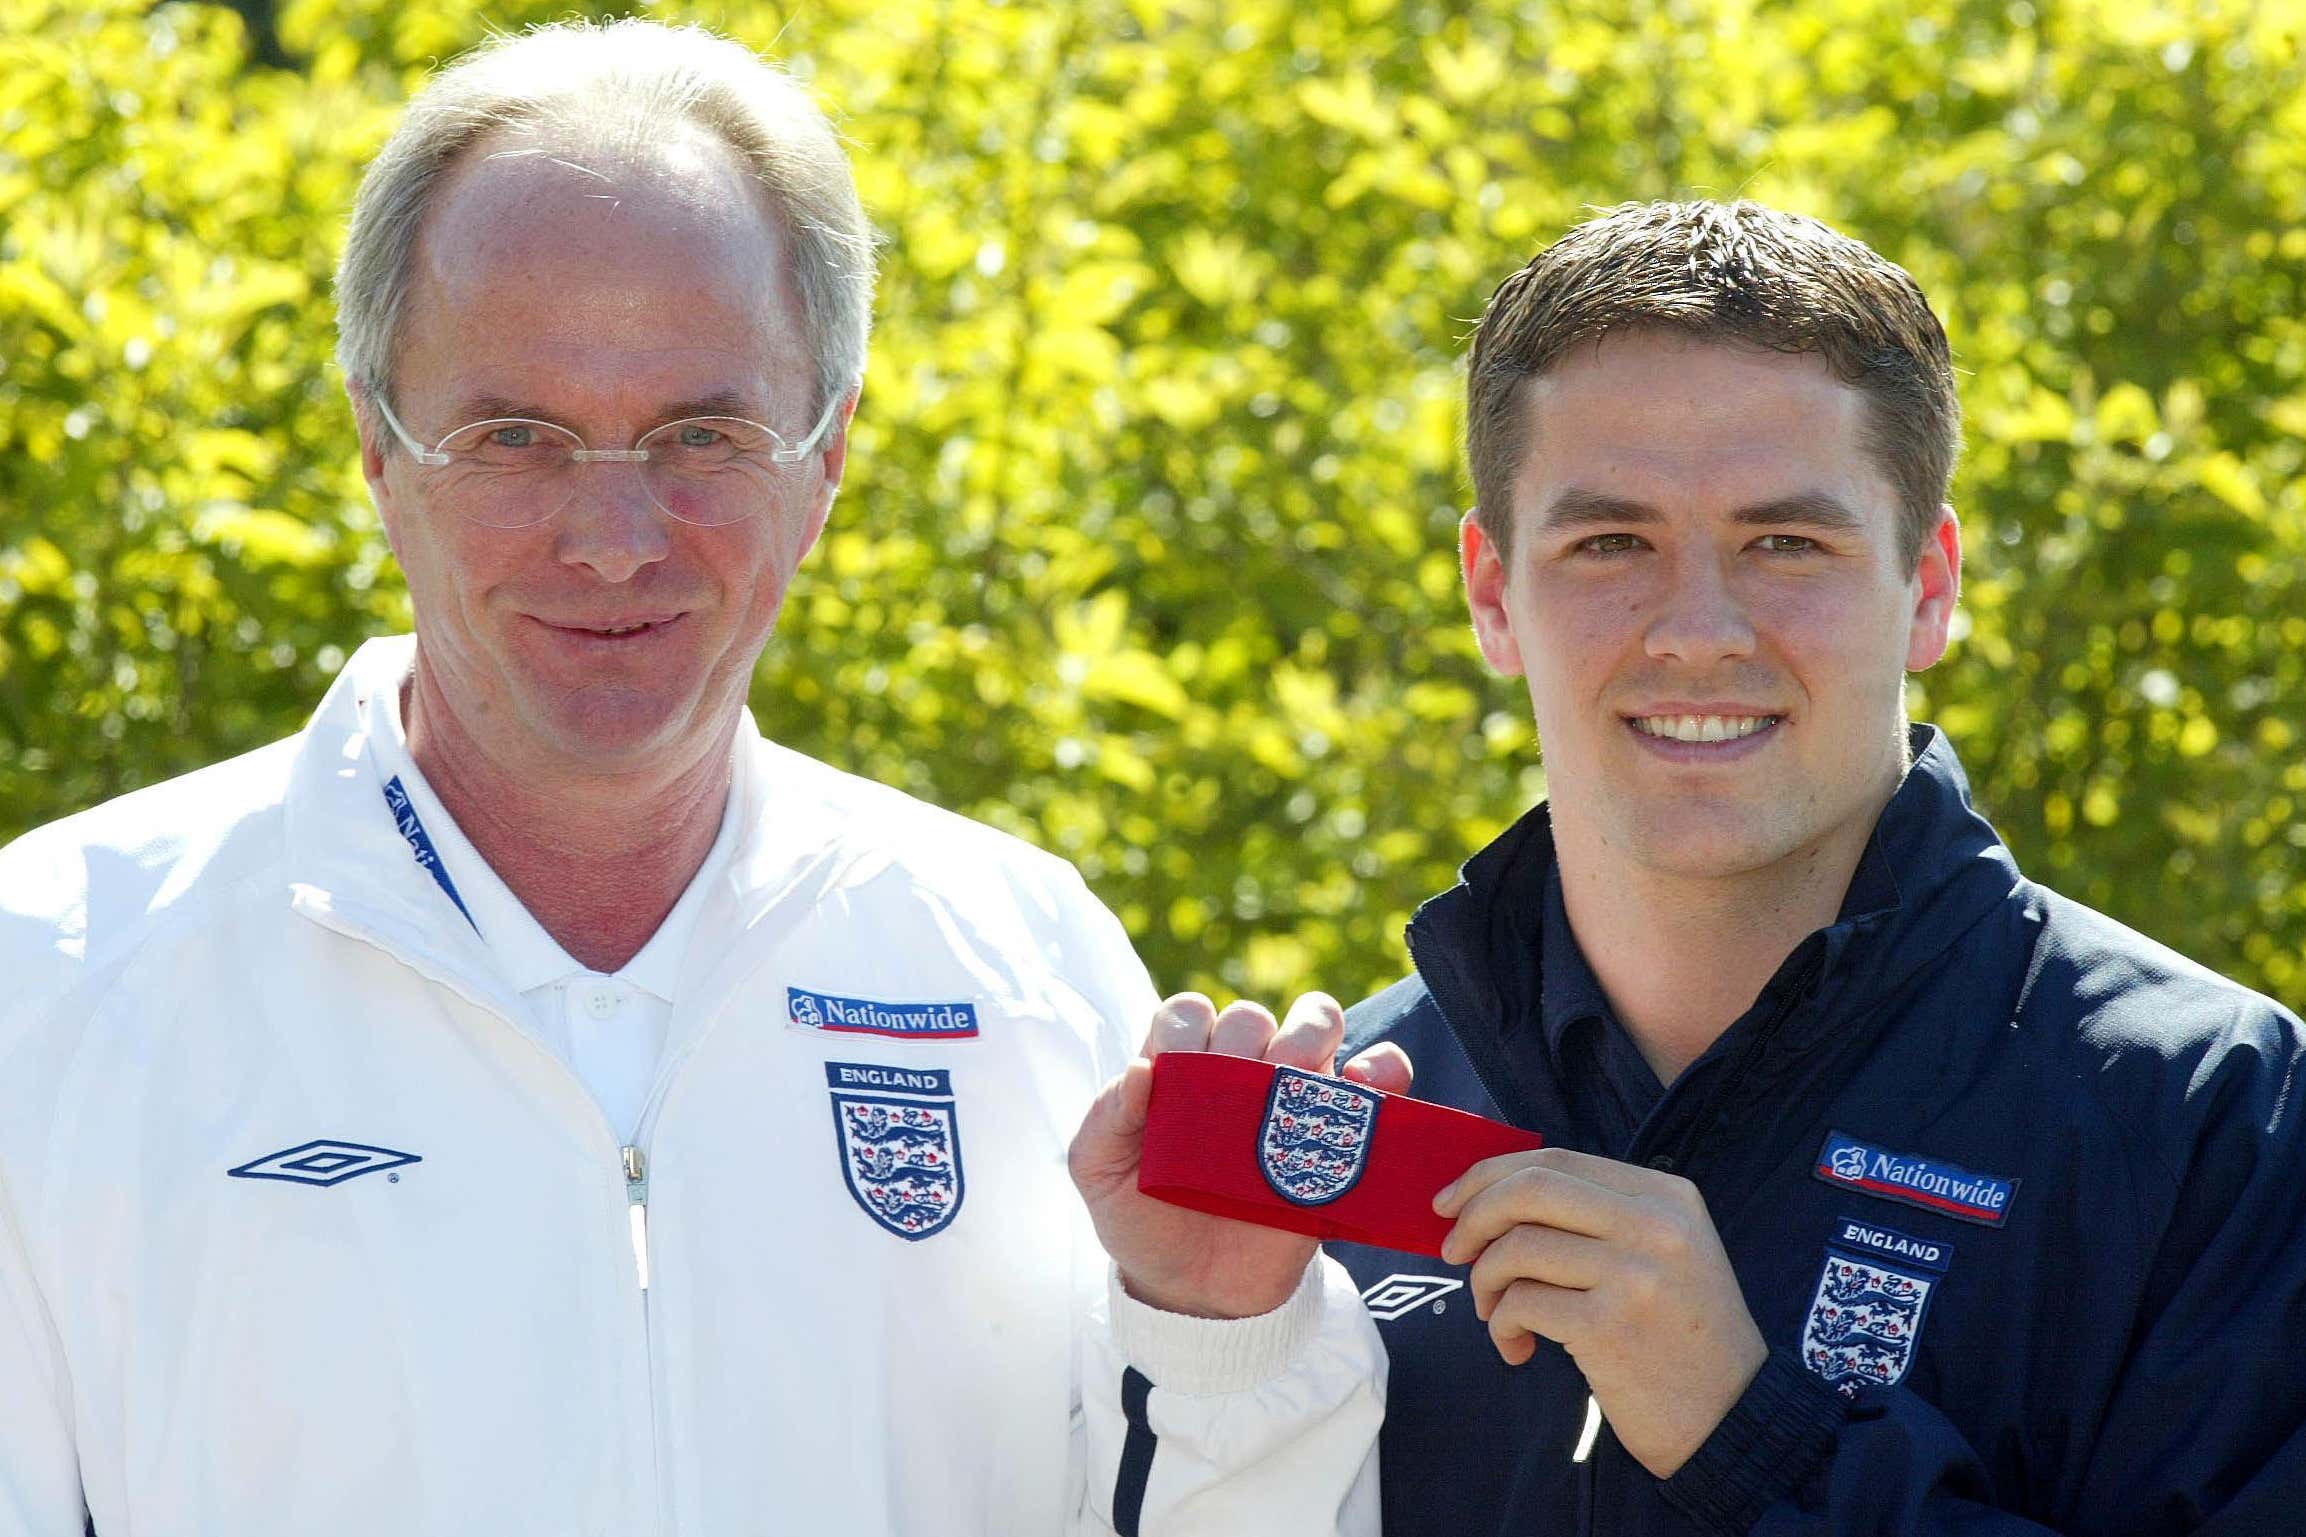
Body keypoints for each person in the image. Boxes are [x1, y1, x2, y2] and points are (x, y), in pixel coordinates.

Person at [0, 21, 1383, 1534]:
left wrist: (1234, 1344)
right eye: (515, 436)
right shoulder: (54, 979)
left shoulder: (1020, 963)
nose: (614, 535)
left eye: (702, 434)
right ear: (377, 452)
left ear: (827, 454)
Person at [1301, 199, 2304, 1532]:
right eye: (1611, 543)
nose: (1698, 630)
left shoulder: (2211, 1123)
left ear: (1929, 584)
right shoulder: (1342, 1131)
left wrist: (1747, 1438)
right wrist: (1186, 1345)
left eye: (1786, 543)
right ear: (1491, 592)